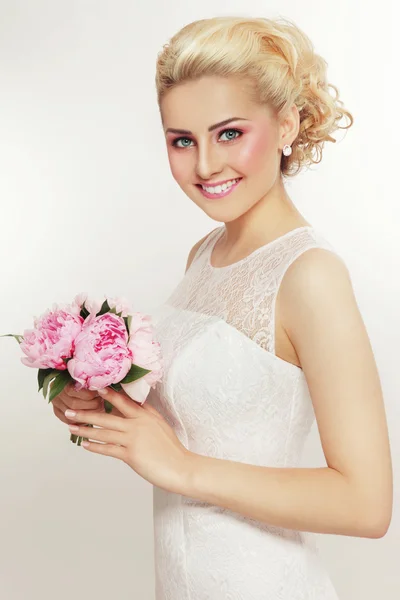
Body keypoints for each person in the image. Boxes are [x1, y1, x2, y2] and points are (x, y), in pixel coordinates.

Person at [52, 15, 393, 600]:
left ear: (287, 124)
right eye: (182, 140)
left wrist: (181, 468)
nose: (205, 165)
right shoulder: (204, 251)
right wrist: (102, 403)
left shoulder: (310, 275)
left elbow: (367, 503)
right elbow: (205, 417)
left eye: (229, 133)